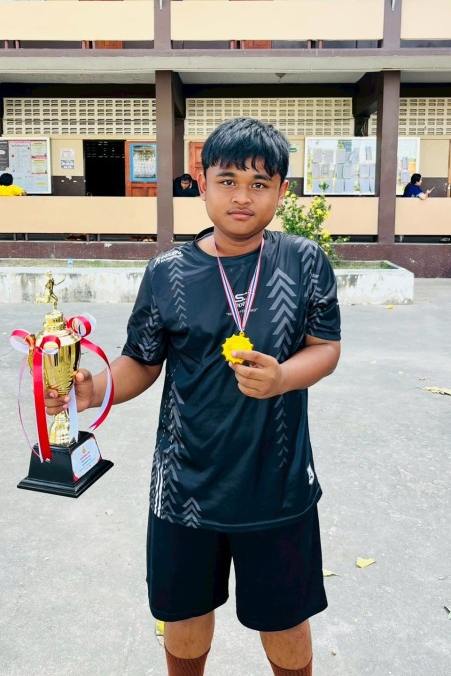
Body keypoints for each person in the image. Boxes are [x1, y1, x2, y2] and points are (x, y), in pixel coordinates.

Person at [46, 117, 341, 676]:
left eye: (259, 183)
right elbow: (142, 360)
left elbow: (325, 347)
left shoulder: (304, 261)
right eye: (227, 180)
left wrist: (284, 377)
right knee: (183, 617)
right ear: (201, 183)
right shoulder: (167, 273)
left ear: (281, 190)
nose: (242, 196)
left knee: (285, 623)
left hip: (276, 485)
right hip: (184, 487)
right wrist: (94, 390)